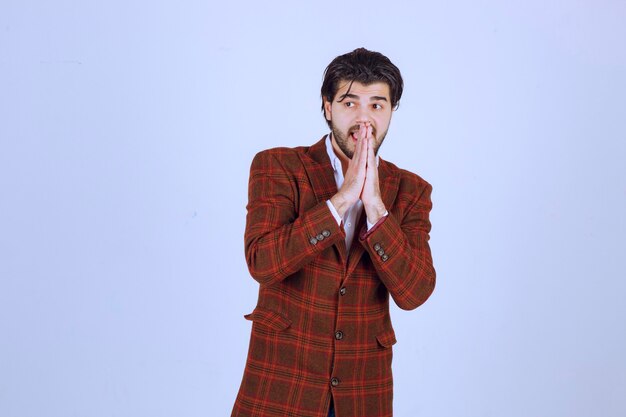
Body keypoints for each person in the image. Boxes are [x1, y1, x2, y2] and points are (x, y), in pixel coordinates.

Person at [231, 48, 436, 417]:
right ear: (327, 107)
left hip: (362, 393)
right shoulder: (277, 165)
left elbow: (415, 292)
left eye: (377, 105)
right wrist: (340, 201)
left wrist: (375, 207)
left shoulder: (410, 190)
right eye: (349, 103)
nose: (364, 118)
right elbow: (262, 262)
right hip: (282, 385)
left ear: (391, 112)